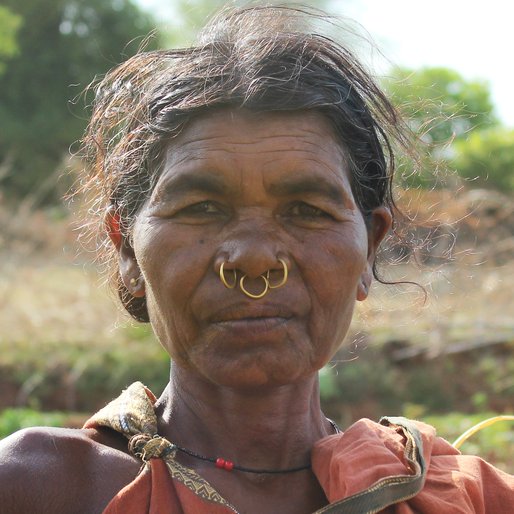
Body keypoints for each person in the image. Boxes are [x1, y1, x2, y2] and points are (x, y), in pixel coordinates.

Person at [0, 5, 513, 513]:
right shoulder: (38, 489)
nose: (253, 259)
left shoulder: (470, 500)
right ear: (128, 249)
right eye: (201, 208)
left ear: (368, 249)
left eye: (305, 210)